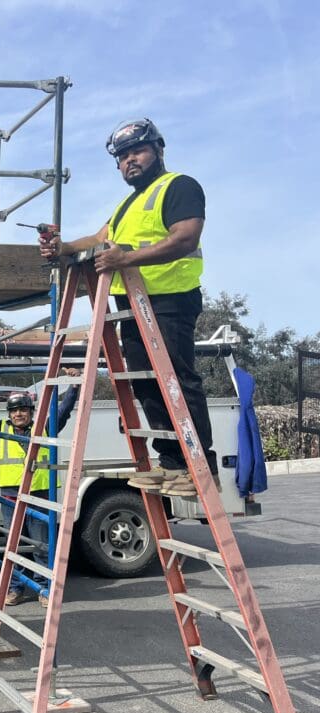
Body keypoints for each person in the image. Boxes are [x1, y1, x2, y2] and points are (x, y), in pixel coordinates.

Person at [40, 117, 216, 497]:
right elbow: (101, 238)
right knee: (145, 382)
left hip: (170, 299)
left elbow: (185, 238)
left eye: (137, 151)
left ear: (159, 150)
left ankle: (201, 467)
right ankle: (171, 462)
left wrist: (128, 258)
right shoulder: (127, 204)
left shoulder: (179, 186)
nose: (129, 161)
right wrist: (64, 247)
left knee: (177, 380)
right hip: (133, 304)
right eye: (122, 157)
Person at [0, 385, 77, 607]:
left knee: (42, 544)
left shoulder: (45, 427)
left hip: (39, 494)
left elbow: (64, 411)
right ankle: (15, 589)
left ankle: (45, 588)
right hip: (11, 496)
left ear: (31, 411)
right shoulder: (0, 429)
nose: (18, 414)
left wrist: (74, 388)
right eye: (14, 410)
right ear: (8, 414)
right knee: (15, 545)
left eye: (23, 409)